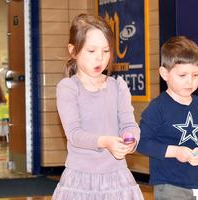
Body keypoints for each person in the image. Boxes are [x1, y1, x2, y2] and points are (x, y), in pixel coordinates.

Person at [52, 13, 143, 200]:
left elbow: (129, 124)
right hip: (79, 178)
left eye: (106, 51)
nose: (100, 58)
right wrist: (105, 141)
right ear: (73, 51)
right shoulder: (68, 88)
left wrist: (131, 140)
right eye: (91, 51)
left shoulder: (118, 86)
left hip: (117, 177)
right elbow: (74, 134)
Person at [137, 36, 198, 200]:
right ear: (164, 73)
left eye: (195, 75)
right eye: (182, 75)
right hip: (170, 187)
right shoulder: (157, 107)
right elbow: (142, 142)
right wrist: (175, 151)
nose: (190, 81)